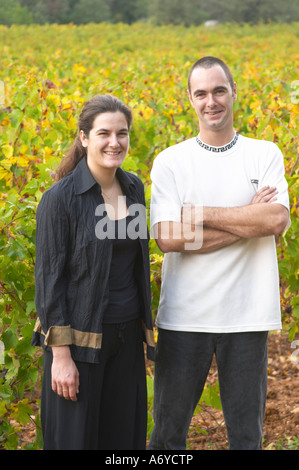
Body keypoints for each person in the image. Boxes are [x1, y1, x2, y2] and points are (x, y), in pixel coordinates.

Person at [148, 57, 290, 450]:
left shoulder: (265, 154)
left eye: (219, 90)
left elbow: (275, 221)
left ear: (234, 93)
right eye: (201, 93)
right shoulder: (171, 161)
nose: (211, 101)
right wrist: (248, 218)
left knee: (246, 438)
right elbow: (168, 238)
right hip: (183, 317)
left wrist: (199, 214)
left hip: (247, 317)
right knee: (167, 436)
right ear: (190, 100)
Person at [31, 95, 155, 450]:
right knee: (76, 441)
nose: (114, 142)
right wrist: (62, 357)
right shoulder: (60, 199)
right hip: (80, 346)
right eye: (104, 133)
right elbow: (49, 282)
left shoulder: (134, 189)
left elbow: (134, 265)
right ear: (84, 138)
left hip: (127, 338)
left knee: (122, 442)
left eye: (122, 133)